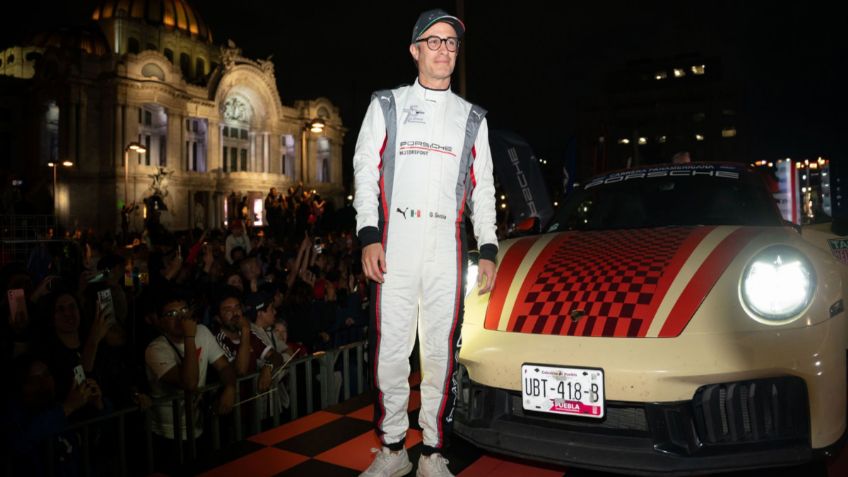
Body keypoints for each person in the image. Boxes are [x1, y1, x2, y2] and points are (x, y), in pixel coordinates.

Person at [353, 9, 498, 477]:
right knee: (391, 351)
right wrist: (369, 235)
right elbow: (365, 172)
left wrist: (490, 247)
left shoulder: (472, 117)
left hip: (445, 243)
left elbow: (483, 187)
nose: (443, 50)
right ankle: (393, 449)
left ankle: (434, 454)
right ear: (415, 50)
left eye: (451, 43)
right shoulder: (387, 104)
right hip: (395, 241)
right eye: (433, 42)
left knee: (439, 352)